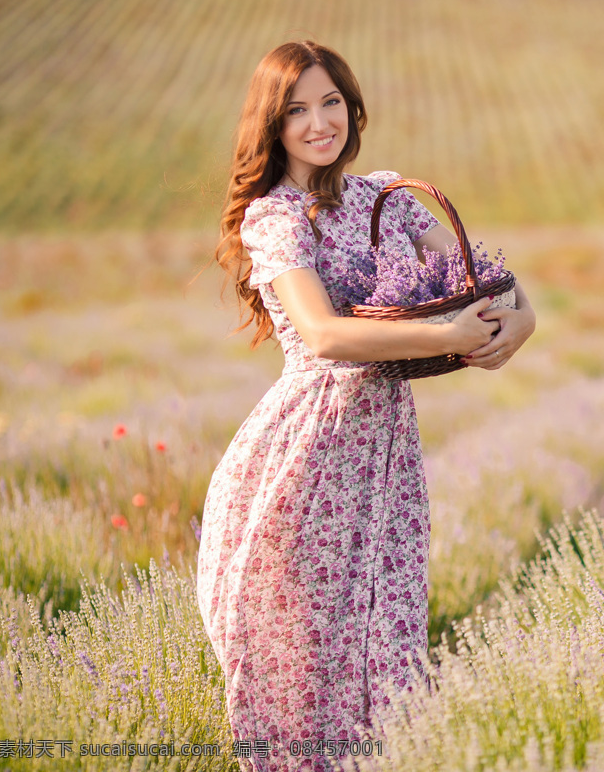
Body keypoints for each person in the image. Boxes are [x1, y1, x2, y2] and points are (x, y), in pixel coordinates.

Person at [197, 40, 535, 770]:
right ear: (273, 125)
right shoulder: (276, 217)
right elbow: (321, 334)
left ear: (352, 110)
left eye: (331, 103)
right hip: (307, 450)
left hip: (382, 452)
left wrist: (524, 317)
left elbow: (482, 273)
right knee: (299, 647)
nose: (320, 123)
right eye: (298, 110)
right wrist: (443, 333)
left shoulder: (383, 195)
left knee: (382, 646)